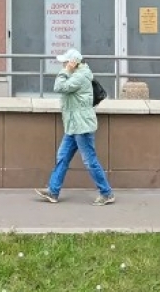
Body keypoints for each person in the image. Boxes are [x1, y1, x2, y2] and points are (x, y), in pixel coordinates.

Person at [35, 48, 116, 206]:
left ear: (73, 63)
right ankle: (53, 191)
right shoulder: (76, 75)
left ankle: (106, 193)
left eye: (65, 62)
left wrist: (65, 71)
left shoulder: (80, 76)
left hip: (82, 126)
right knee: (63, 156)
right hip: (73, 125)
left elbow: (59, 87)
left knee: (89, 160)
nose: (63, 65)